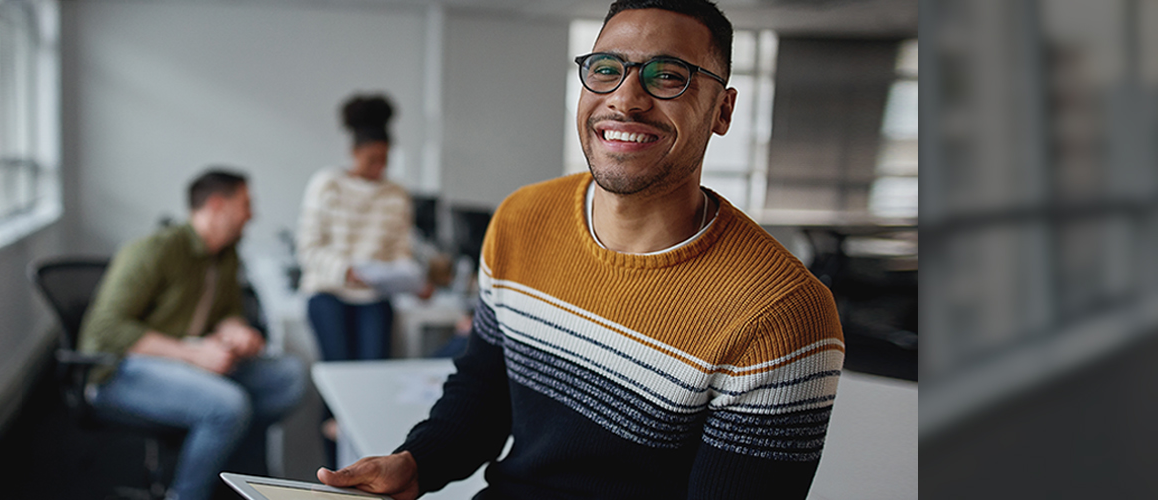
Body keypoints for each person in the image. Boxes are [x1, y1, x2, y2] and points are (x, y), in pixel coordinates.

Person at [316, 1, 845, 498]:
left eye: (667, 75)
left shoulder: (783, 316)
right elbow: (484, 387)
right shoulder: (522, 219)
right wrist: (417, 462)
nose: (626, 98)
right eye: (606, 68)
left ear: (722, 111)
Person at [81, 169, 307, 500]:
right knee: (228, 406)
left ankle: (237, 471)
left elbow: (227, 312)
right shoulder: (154, 249)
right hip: (120, 370)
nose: (252, 215)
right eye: (245, 204)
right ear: (217, 205)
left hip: (188, 362)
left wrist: (236, 331)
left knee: (290, 375)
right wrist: (194, 355)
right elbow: (105, 329)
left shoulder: (226, 255)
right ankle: (187, 494)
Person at [296, 93, 429, 365]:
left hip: (374, 297)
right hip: (329, 292)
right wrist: (346, 271)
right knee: (339, 373)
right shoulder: (327, 184)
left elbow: (401, 252)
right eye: (371, 159)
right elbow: (308, 248)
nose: (378, 167)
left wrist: (413, 281)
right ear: (354, 153)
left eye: (384, 160)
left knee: (373, 373)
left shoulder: (396, 194)